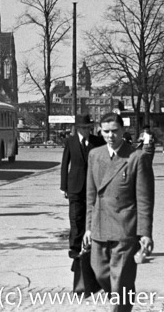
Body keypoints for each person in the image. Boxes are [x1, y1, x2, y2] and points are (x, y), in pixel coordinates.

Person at [84, 112, 155, 312]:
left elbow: (144, 199)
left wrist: (145, 233)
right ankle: (123, 296)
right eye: (106, 131)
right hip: (99, 227)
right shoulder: (95, 155)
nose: (110, 136)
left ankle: (121, 304)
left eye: (115, 131)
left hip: (125, 228)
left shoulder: (137, 157)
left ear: (123, 130)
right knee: (100, 274)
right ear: (100, 131)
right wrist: (88, 228)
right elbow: (91, 196)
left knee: (120, 281)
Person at [60, 114, 105, 296]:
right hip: (75, 184)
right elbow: (65, 164)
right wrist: (64, 186)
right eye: (84, 128)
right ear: (78, 128)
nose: (87, 131)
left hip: (93, 184)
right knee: (75, 216)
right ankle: (75, 246)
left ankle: (91, 244)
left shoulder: (97, 141)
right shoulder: (70, 142)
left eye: (89, 127)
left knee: (91, 214)